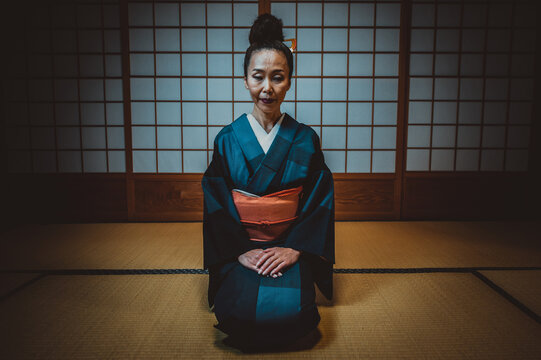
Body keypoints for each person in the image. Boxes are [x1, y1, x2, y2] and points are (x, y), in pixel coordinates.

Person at [202, 13, 335, 351]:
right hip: (242, 247)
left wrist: (295, 249)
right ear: (245, 80)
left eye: (278, 78)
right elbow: (217, 200)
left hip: (288, 246)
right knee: (238, 317)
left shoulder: (305, 139)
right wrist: (241, 251)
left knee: (295, 318)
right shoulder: (227, 139)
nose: (267, 88)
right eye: (258, 77)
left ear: (289, 81)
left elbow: (319, 199)